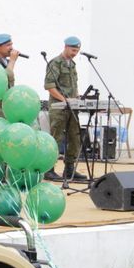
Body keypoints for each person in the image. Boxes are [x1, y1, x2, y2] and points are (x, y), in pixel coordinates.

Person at [44, 36, 89, 182]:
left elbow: (72, 86)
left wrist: (77, 98)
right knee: (56, 138)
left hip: (72, 107)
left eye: (77, 50)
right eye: (73, 50)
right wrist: (65, 100)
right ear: (66, 47)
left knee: (74, 137)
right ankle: (49, 169)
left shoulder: (73, 64)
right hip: (59, 108)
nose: (74, 53)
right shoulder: (55, 63)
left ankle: (69, 170)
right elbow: (49, 86)